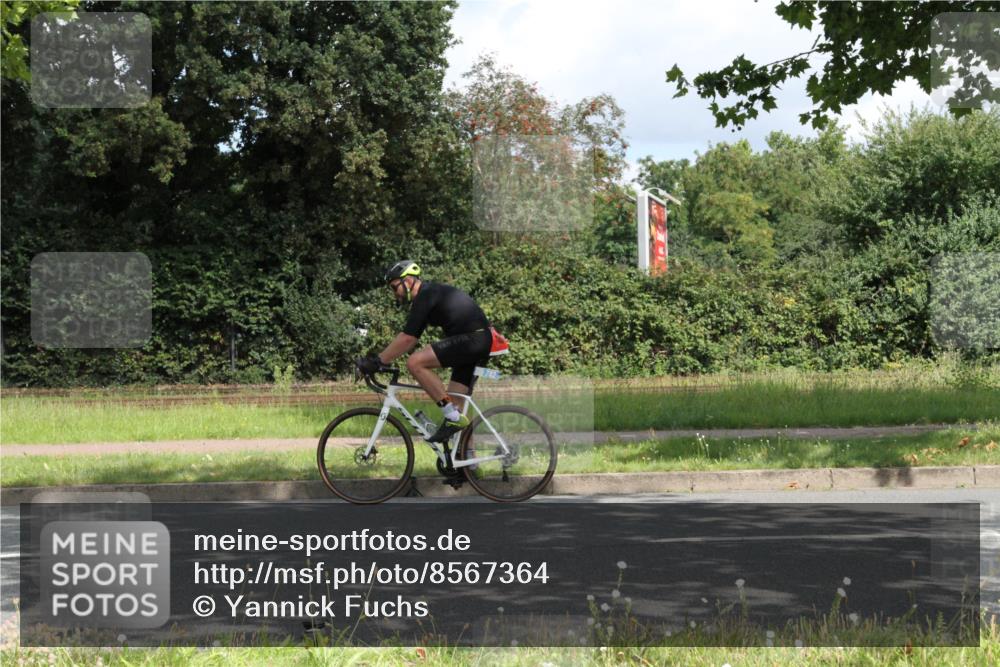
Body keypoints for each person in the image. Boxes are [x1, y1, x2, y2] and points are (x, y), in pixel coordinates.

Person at [356, 260, 508, 443]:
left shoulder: (426, 294)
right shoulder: (429, 294)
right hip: (477, 341)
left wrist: (377, 361)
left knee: (415, 362)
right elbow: (410, 337)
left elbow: (407, 339)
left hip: (474, 340)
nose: (395, 294)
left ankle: (453, 418)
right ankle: (467, 464)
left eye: (395, 287)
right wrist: (380, 360)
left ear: (409, 281)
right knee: (456, 403)